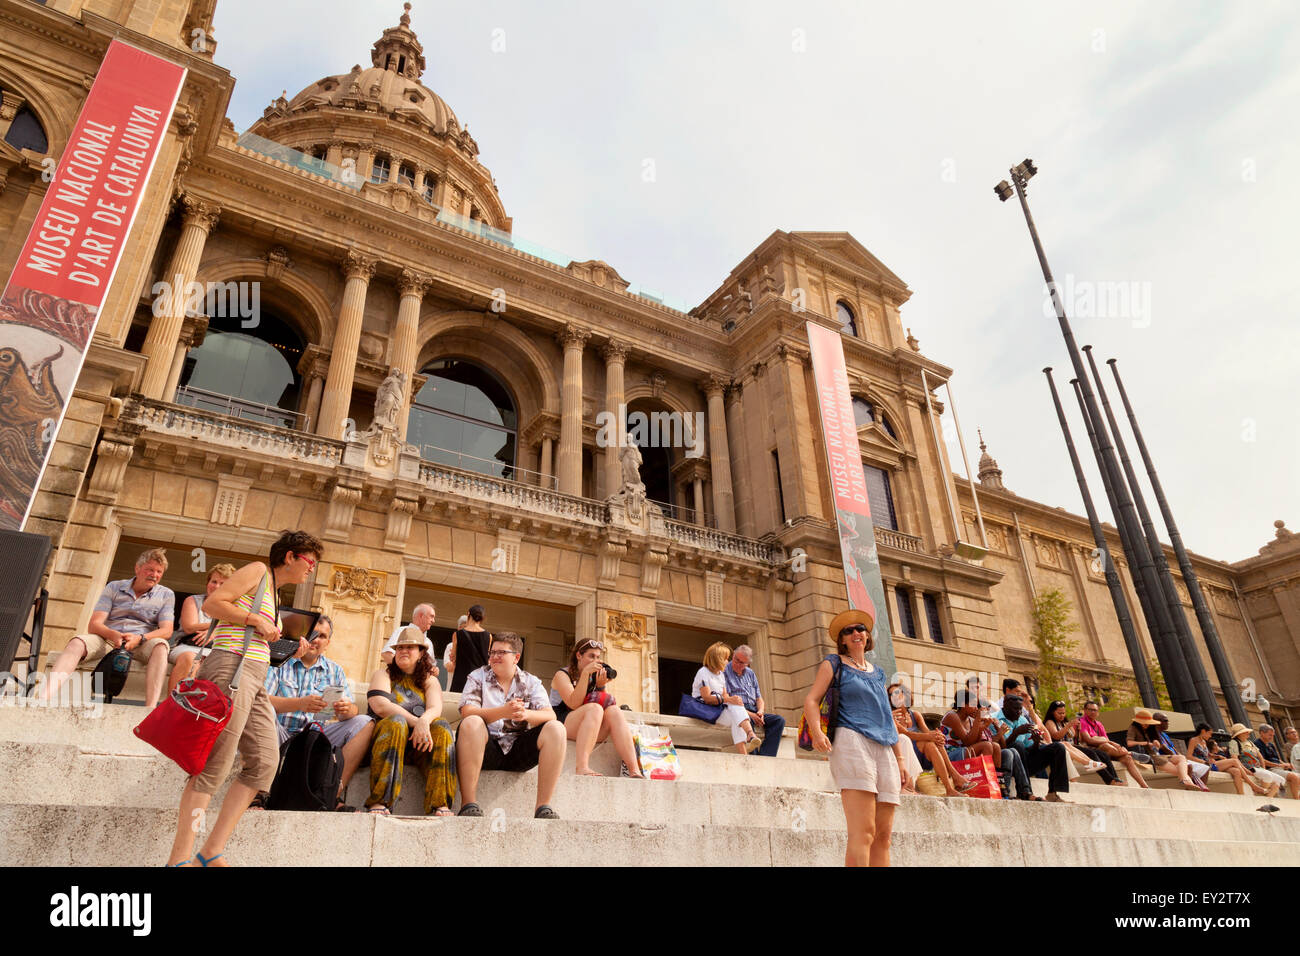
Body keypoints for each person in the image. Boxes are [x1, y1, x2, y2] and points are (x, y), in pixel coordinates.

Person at [165, 530, 320, 866]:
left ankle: (209, 852)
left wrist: (286, 651)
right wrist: (254, 619)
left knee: (265, 761)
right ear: (290, 556)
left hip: (255, 675)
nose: (311, 569)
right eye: (309, 561)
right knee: (213, 766)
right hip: (230, 667)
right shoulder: (257, 571)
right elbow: (213, 603)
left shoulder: (275, 594)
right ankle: (179, 859)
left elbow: (258, 636)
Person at [804, 608, 909, 867]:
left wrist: (901, 759)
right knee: (863, 832)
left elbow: (887, 715)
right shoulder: (833, 663)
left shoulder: (879, 672)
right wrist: (817, 732)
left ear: (868, 635)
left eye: (860, 628)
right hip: (852, 741)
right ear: (841, 640)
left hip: (884, 746)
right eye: (848, 631)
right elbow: (812, 699)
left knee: (883, 837)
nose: (855, 633)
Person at [264, 614, 374, 809]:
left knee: (364, 721)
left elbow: (350, 710)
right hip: (282, 735)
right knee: (264, 712)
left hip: (318, 739)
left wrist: (348, 710)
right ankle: (261, 791)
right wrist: (299, 704)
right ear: (302, 635)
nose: (316, 639)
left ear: (328, 642)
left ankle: (333, 792)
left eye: (322, 636)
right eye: (312, 633)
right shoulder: (280, 661)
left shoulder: (335, 670)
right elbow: (263, 699)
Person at [43, 547, 175, 708]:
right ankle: (43, 698)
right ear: (137, 568)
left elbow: (167, 630)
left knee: (161, 646)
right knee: (76, 642)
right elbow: (94, 624)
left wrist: (141, 638)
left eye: (159, 572)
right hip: (107, 639)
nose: (154, 575)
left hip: (141, 642)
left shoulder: (166, 594)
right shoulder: (114, 587)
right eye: (150, 569)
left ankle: (150, 709)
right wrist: (113, 635)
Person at [456, 632, 566, 818]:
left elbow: (550, 714)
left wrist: (526, 714)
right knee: (471, 722)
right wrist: (503, 711)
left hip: (517, 751)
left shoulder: (531, 682)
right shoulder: (478, 675)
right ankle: (468, 804)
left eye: (501, 652)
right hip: (485, 748)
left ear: (516, 657)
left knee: (556, 728)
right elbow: (467, 711)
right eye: (492, 652)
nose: (494, 656)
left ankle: (543, 807)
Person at [365, 627, 456, 816]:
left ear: (422, 653)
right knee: (396, 721)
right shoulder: (383, 675)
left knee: (442, 726)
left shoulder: (429, 680)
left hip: (419, 744)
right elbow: (380, 705)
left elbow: (435, 708)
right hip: (386, 742)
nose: (403, 651)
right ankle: (380, 801)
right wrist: (418, 722)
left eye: (410, 647)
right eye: (399, 648)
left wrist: (424, 722)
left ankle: (439, 803)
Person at [549, 638, 644, 778]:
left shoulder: (594, 676)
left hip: (589, 726)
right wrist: (586, 675)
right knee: (595, 709)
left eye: (598, 657)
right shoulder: (562, 675)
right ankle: (582, 766)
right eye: (591, 656)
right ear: (579, 656)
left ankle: (634, 769)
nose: (595, 660)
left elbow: (603, 704)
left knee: (614, 710)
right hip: (561, 724)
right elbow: (573, 704)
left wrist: (600, 685)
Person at [889, 682, 974, 797]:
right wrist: (930, 736)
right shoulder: (892, 715)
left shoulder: (915, 715)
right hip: (906, 751)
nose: (894, 696)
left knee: (934, 742)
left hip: (922, 751)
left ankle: (950, 788)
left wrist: (937, 735)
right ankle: (955, 777)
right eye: (891, 694)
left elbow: (927, 732)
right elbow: (906, 734)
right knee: (929, 742)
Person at [165, 563, 236, 696]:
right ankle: (172, 705)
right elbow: (189, 626)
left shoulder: (235, 608)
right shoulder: (193, 600)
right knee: (191, 659)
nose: (216, 586)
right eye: (213, 581)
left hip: (216, 651)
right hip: (187, 646)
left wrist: (215, 632)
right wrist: (219, 625)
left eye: (222, 584)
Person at [993, 695, 1070, 802]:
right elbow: (999, 748)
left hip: (1025, 763)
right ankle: (1025, 792)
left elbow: (1030, 750)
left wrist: (1036, 742)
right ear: (1005, 706)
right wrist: (1015, 733)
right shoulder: (994, 719)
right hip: (1008, 763)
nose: (1019, 712)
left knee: (1058, 747)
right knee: (1017, 745)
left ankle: (1053, 793)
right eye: (1015, 709)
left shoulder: (1023, 720)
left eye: (1020, 709)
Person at [692, 641, 760, 754]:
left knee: (736, 716)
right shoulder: (703, 672)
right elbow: (707, 698)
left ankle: (747, 745)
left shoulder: (721, 675)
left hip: (717, 710)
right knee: (734, 708)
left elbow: (725, 696)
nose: (727, 662)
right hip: (704, 709)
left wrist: (735, 700)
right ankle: (750, 735)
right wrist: (730, 700)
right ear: (717, 659)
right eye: (725, 658)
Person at [724, 644, 786, 757]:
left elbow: (759, 698)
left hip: (754, 710)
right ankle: (754, 757)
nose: (737, 664)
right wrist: (752, 715)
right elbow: (727, 700)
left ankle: (766, 756)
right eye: (736, 660)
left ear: (748, 663)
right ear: (733, 655)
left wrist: (760, 712)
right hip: (739, 710)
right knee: (747, 721)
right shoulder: (724, 672)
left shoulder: (750, 673)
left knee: (779, 721)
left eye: (742, 663)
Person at [1042, 701, 1122, 786]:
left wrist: (1077, 730)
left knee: (1103, 754)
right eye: (1059, 713)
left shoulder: (1064, 723)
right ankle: (1109, 779)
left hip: (1072, 745)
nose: (1062, 715)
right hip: (1061, 747)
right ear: (1052, 712)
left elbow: (1076, 739)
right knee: (1092, 753)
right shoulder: (1050, 722)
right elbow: (1056, 736)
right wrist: (1068, 726)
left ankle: (1114, 778)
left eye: (1063, 713)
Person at [1127, 709, 1206, 791]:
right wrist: (1146, 743)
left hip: (1156, 755)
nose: (1147, 725)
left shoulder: (1149, 730)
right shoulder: (1133, 728)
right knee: (1182, 770)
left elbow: (1155, 748)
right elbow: (1129, 743)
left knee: (1181, 758)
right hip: (1147, 757)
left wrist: (1155, 744)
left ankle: (1186, 781)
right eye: (1146, 722)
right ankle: (1187, 782)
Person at [1077, 700, 1150, 788]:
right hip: (1092, 750)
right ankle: (1129, 752)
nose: (1093, 712)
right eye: (1090, 710)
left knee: (1128, 758)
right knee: (1106, 745)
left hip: (1108, 751)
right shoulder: (1081, 721)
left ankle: (1144, 785)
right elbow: (1089, 740)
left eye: (1095, 710)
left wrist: (1106, 741)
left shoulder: (1099, 724)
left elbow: (1106, 739)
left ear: (1098, 712)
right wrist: (1104, 740)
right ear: (1085, 710)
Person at [1187, 723, 1269, 796]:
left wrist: (1217, 757)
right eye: (1209, 733)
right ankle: (1253, 786)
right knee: (1234, 761)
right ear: (1203, 731)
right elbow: (1189, 756)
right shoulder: (1193, 740)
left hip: (1211, 764)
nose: (1210, 736)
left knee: (1236, 771)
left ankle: (1241, 795)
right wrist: (1204, 762)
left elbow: (1206, 754)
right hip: (1205, 766)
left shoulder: (1204, 742)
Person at [1227, 723, 1287, 797]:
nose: (1248, 733)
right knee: (1267, 777)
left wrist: (1264, 768)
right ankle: (1260, 795)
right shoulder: (1234, 742)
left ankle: (1267, 799)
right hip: (1249, 767)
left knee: (1281, 780)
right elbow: (1235, 758)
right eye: (1245, 732)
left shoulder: (1250, 742)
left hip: (1258, 767)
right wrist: (1245, 770)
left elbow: (1260, 756)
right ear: (1239, 734)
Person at [1154, 712, 1213, 788]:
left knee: (1205, 768)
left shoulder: (1164, 734)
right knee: (1189, 766)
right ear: (1158, 721)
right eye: (1165, 720)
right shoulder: (1153, 733)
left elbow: (1173, 748)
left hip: (1177, 757)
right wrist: (1177, 756)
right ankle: (1190, 789)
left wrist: (1180, 755)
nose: (1168, 723)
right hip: (1166, 758)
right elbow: (1163, 748)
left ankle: (1202, 789)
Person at [448, 604, 490, 694]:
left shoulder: (457, 634)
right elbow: (487, 657)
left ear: (468, 614)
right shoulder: (488, 636)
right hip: (479, 680)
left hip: (461, 679)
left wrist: (454, 657)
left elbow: (453, 657)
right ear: (482, 618)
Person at [380, 602, 437, 667]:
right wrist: (406, 672)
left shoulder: (429, 642)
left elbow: (432, 666)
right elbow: (387, 654)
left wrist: (434, 670)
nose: (433, 621)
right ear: (421, 616)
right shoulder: (401, 631)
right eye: (431, 616)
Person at [1255, 725, 1300, 799]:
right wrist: (1278, 765)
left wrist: (1285, 764)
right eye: (1270, 735)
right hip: (1270, 769)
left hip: (1278, 768)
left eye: (1273, 735)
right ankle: (1297, 800)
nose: (1272, 737)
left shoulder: (1271, 744)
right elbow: (1262, 760)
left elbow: (1277, 759)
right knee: (1294, 777)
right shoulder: (1257, 744)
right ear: (1262, 733)